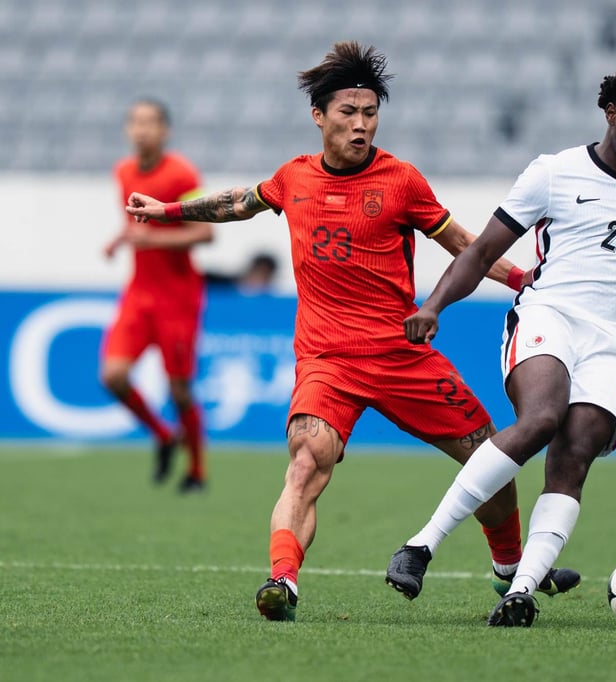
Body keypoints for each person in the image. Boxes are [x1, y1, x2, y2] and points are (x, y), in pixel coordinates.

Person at [125, 42, 579, 622]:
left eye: (369, 114)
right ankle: (282, 581)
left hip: (402, 354)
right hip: (327, 361)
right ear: (319, 116)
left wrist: (524, 278)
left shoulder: (401, 181)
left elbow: (465, 246)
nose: (360, 125)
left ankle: (510, 569)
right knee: (307, 461)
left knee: (490, 458)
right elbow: (238, 202)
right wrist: (166, 211)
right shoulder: (293, 178)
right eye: (348, 113)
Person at [386, 64, 616, 627]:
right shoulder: (554, 173)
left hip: (611, 342)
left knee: (575, 455)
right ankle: (420, 546)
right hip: (549, 314)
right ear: (611, 113)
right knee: (542, 420)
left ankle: (520, 590)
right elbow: (478, 253)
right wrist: (432, 307)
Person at [101, 98, 213, 493]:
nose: (142, 129)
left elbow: (206, 232)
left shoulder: (181, 174)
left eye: (150, 122)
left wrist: (154, 238)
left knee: (179, 390)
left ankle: (196, 471)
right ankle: (164, 436)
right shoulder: (124, 171)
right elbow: (136, 222)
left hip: (177, 297)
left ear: (165, 130)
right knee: (112, 376)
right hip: (139, 293)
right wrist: (121, 238)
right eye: (135, 122)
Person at [205, 252, 279, 294]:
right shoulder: (224, 287)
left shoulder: (269, 296)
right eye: (258, 273)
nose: (259, 280)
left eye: (264, 276)